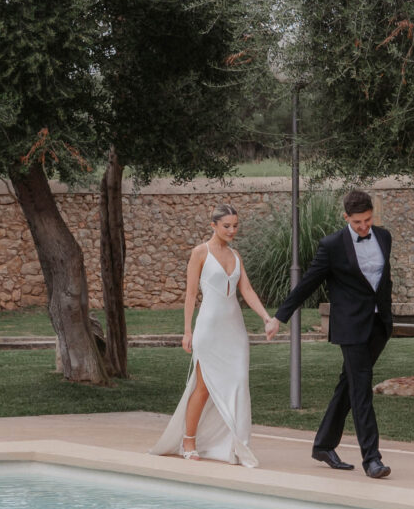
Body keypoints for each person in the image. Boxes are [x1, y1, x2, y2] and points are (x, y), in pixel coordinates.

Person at [272, 185, 394, 477]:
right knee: (361, 387)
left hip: (379, 325)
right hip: (350, 327)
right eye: (357, 222)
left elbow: (382, 280)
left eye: (368, 220)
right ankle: (372, 459)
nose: (364, 227)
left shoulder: (384, 237)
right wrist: (280, 316)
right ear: (345, 217)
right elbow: (309, 283)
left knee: (349, 384)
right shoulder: (332, 245)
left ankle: (323, 445)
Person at [152, 201, 280, 468]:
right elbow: (190, 294)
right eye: (226, 226)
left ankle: (238, 445)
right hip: (209, 329)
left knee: (239, 382)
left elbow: (247, 291)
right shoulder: (200, 252)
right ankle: (188, 441)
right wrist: (187, 331)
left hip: (235, 331)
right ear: (213, 225)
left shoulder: (236, 256)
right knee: (203, 387)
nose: (232, 231)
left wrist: (267, 317)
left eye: (235, 226)